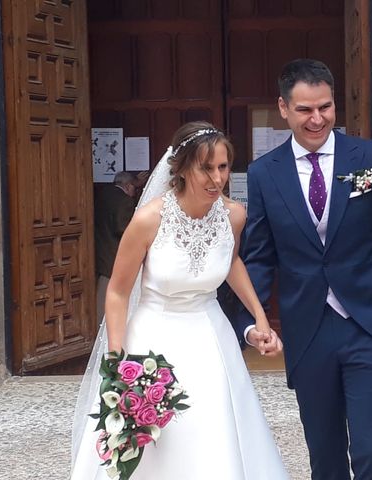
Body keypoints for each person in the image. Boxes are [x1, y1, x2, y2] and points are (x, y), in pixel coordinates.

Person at [236, 58, 372, 480]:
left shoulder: (370, 158)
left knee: (370, 450)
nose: (317, 118)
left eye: (325, 107)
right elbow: (259, 257)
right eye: (305, 109)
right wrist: (251, 322)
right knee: (324, 458)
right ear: (283, 109)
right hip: (310, 331)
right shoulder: (264, 174)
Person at [71, 121, 288, 479]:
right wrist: (117, 358)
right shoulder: (148, 220)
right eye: (206, 168)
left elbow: (231, 261)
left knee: (213, 430)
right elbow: (118, 291)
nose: (217, 178)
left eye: (222, 167)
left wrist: (259, 317)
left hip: (211, 337)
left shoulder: (234, 215)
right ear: (182, 167)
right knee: (161, 440)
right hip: (155, 338)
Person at [94, 171, 138, 321]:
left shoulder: (103, 194)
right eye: (134, 188)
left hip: (101, 249)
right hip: (114, 253)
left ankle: (99, 323)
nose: (134, 193)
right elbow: (121, 227)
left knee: (102, 291)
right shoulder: (125, 200)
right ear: (127, 185)